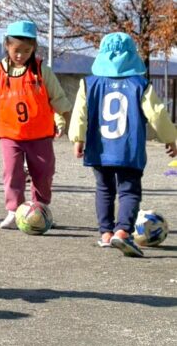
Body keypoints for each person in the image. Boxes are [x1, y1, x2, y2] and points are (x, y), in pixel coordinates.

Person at [68, 32, 177, 257]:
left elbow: (80, 113)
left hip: (100, 148)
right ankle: (123, 232)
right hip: (128, 150)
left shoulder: (89, 83)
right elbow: (157, 114)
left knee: (104, 189)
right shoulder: (140, 84)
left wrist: (77, 138)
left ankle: (106, 233)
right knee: (129, 191)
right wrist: (170, 138)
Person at [0, 20, 72, 230]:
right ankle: (14, 209)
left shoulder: (41, 71)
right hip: (10, 134)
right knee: (12, 172)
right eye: (16, 50)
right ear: (7, 46)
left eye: (26, 51)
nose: (20, 55)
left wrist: (63, 120)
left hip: (40, 134)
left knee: (44, 172)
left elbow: (57, 97)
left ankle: (41, 208)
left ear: (34, 49)